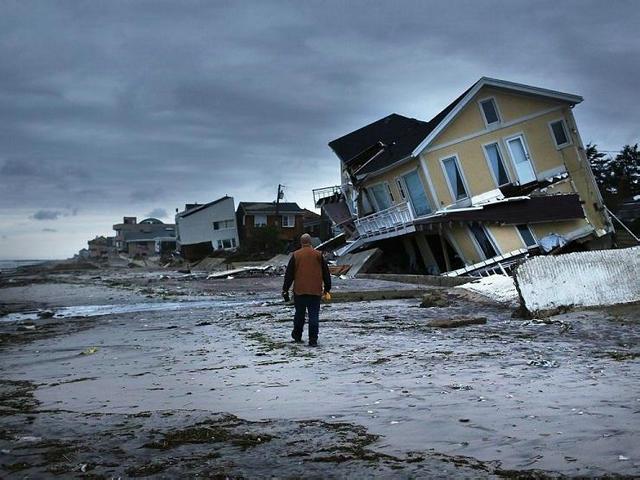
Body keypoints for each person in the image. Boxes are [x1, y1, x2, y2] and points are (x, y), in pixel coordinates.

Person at [282, 233, 331, 347]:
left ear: (301, 242)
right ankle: (313, 339)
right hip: (315, 290)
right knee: (314, 315)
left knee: (299, 315)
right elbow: (326, 273)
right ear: (311, 242)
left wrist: (285, 289)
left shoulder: (296, 255)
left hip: (300, 290)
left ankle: (297, 336)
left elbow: (289, 275)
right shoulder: (318, 255)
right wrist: (327, 288)